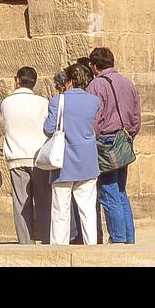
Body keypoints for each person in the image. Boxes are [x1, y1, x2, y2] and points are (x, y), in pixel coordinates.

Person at [88, 46, 141, 244]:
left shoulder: (96, 86)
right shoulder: (128, 83)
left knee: (109, 192)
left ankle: (118, 239)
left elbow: (94, 119)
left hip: (106, 142)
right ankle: (128, 237)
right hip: (123, 140)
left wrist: (91, 139)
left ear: (94, 66)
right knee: (120, 191)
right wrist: (129, 135)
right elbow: (136, 117)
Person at [44, 62, 101, 245]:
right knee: (88, 209)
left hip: (64, 162)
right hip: (87, 160)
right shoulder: (94, 101)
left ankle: (58, 250)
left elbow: (48, 128)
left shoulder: (57, 100)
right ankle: (91, 246)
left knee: (60, 210)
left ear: (69, 80)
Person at [0, 66, 51, 244]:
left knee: (21, 204)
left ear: (17, 80)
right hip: (38, 157)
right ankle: (46, 239)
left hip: (16, 157)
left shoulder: (6, 103)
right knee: (44, 202)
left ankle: (25, 242)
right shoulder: (43, 102)